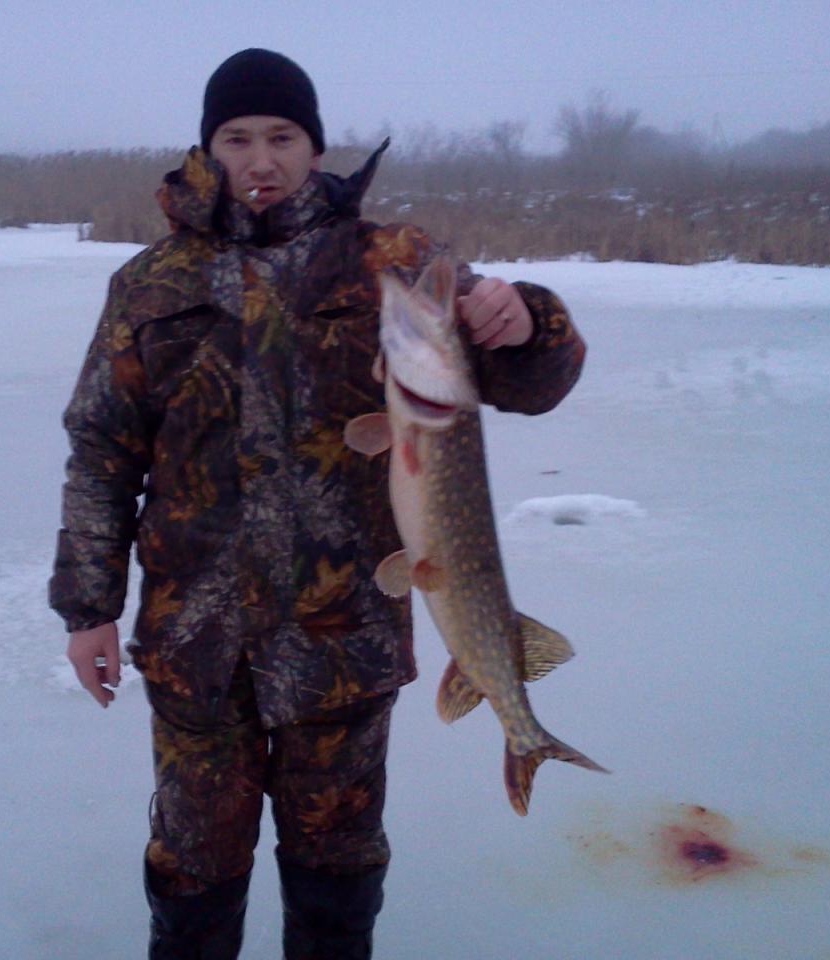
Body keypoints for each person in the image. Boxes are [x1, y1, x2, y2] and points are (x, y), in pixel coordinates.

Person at [50, 48, 586, 960]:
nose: (261, 160)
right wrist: (87, 607)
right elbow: (103, 450)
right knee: (193, 868)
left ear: (315, 146)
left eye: (282, 137)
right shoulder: (149, 283)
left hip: (344, 645)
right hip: (196, 642)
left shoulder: (392, 261)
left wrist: (528, 318)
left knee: (338, 868)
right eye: (237, 138)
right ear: (208, 148)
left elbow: (525, 377)